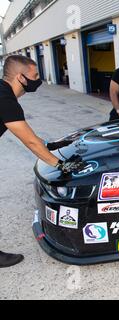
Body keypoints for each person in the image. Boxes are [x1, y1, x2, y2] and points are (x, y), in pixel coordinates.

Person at [0, 55, 85, 268]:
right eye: (35, 75)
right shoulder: (5, 99)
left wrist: (50, 144)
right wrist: (60, 164)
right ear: (20, 77)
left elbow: (32, 136)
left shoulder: (3, 93)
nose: (39, 79)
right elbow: (29, 140)